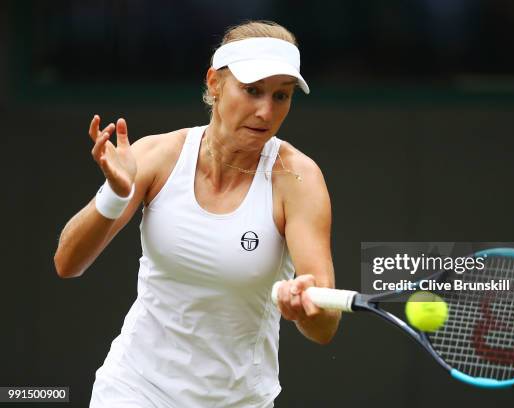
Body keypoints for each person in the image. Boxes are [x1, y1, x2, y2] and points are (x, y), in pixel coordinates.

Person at [53, 20, 341, 408]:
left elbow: (324, 326)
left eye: (281, 96)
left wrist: (303, 310)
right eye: (252, 90)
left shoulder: (298, 179)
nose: (265, 111)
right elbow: (67, 263)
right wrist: (116, 196)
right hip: (135, 389)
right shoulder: (157, 156)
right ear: (214, 84)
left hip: (240, 400)